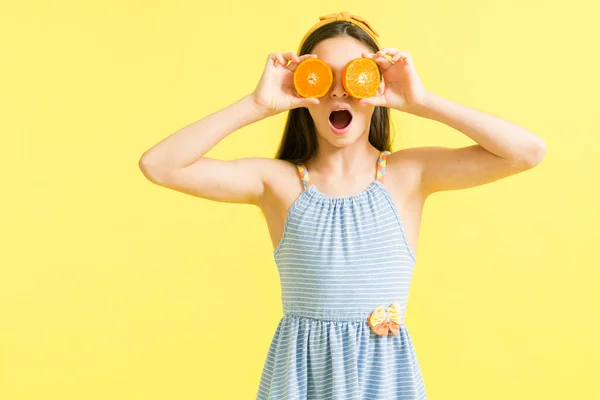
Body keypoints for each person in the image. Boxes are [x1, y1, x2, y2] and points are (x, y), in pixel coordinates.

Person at [138, 11, 546, 400]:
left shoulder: (408, 175)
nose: (337, 90)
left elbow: (526, 152)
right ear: (302, 88)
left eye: (356, 77)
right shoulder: (279, 184)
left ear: (376, 88)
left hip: (383, 382)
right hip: (301, 383)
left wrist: (421, 101)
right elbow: (159, 165)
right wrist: (257, 105)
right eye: (320, 79)